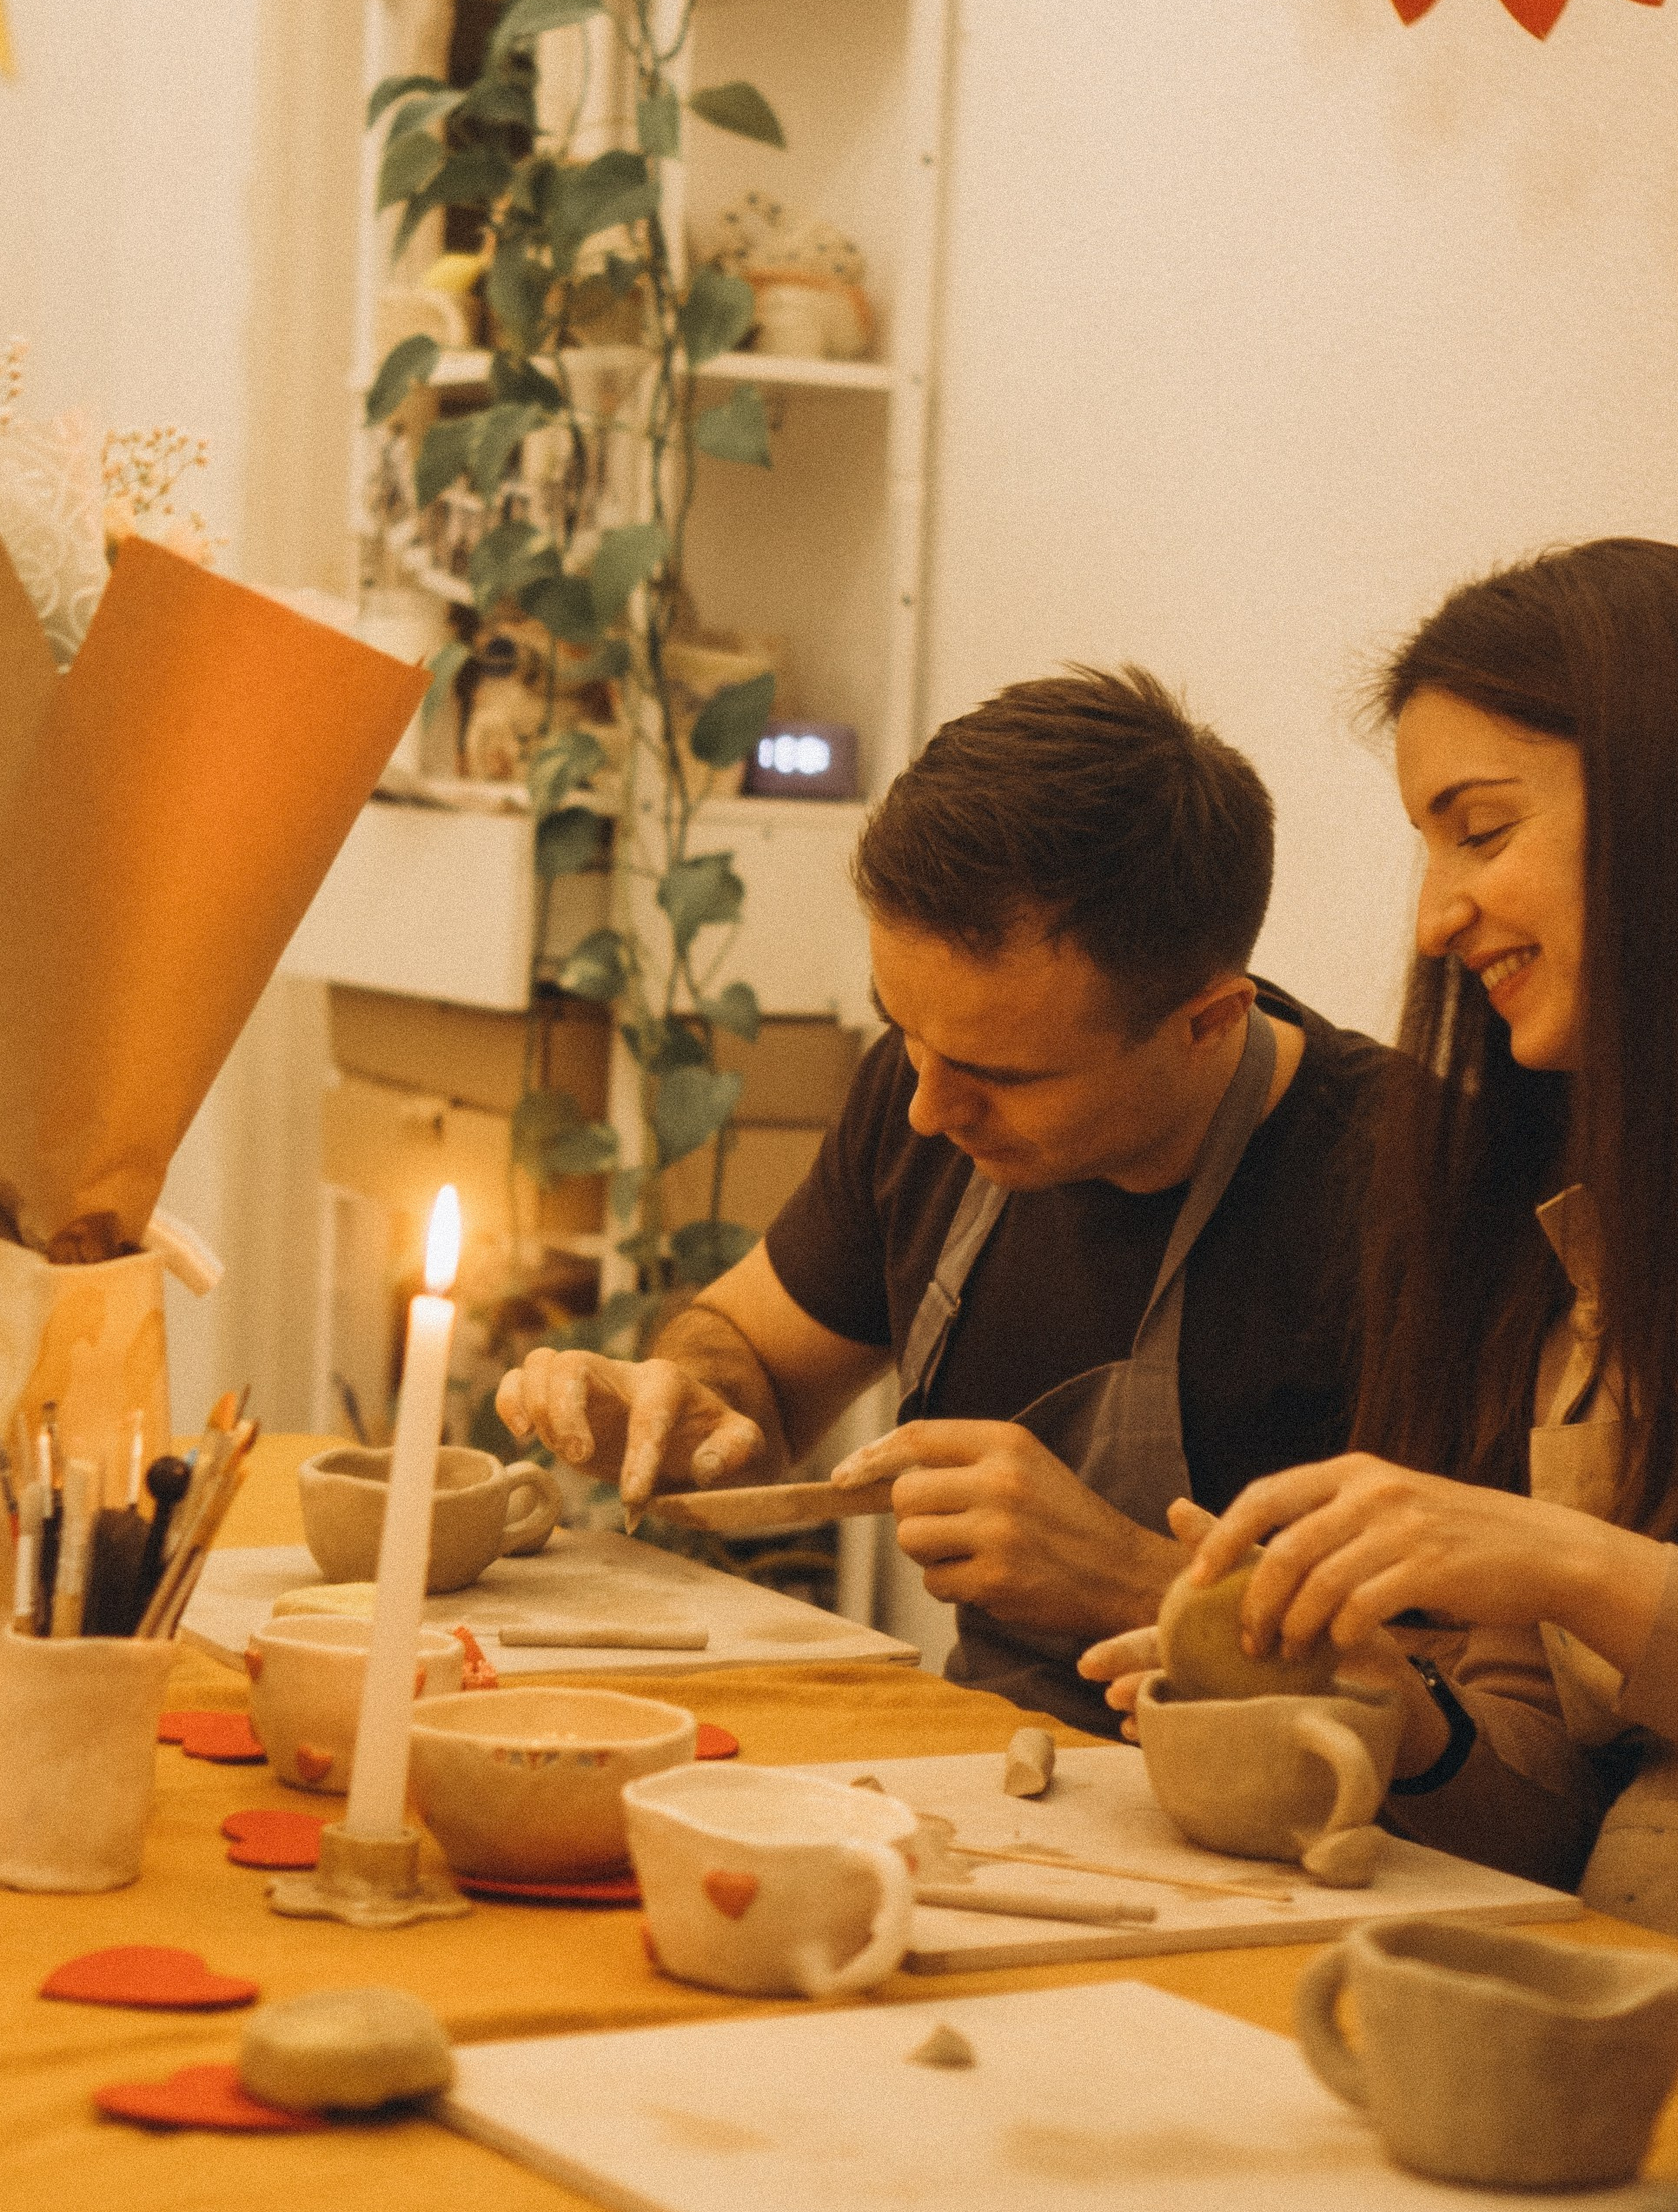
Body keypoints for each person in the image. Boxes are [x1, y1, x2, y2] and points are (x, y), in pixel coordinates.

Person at [498, 666, 1387, 1730]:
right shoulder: (928, 1088)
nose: (926, 1108)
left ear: (1207, 1021)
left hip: (1291, 1826)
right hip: (998, 1764)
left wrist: (1137, 1577)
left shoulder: (1398, 1185)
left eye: (1002, 1075)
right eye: (903, 1030)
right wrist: (683, 1398)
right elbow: (758, 1359)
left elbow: (1494, 1713)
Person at [1079, 539, 1678, 1917]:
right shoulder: (1573, 1242)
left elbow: (1582, 1591)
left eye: (1479, 829)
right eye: (1425, 845)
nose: (1430, 921)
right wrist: (1392, 1714)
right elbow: (1539, 1821)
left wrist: (1567, 1562)